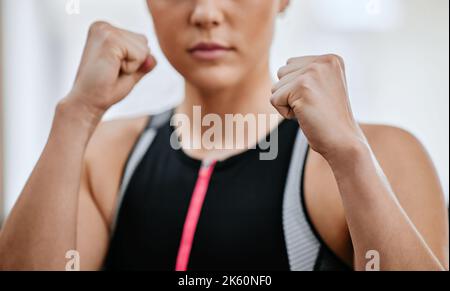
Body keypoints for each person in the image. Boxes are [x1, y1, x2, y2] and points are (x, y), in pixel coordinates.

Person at [0, 0, 448, 271]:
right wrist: (75, 113)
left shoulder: (384, 155)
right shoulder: (104, 154)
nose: (206, 13)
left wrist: (351, 156)